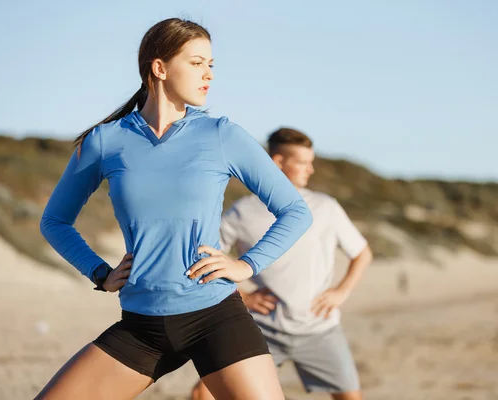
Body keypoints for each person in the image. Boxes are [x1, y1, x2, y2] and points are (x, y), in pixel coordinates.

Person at [36, 18, 312, 400]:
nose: (209, 75)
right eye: (197, 63)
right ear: (160, 67)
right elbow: (55, 221)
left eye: (211, 65)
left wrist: (245, 265)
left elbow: (295, 211)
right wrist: (99, 272)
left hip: (214, 317)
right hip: (141, 327)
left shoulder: (221, 135)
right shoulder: (106, 141)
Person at [191, 128, 373, 400]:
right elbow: (206, 258)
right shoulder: (243, 211)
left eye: (311, 162)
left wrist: (341, 292)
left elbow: (362, 253)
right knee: (202, 394)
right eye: (302, 162)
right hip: (261, 331)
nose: (310, 170)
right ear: (277, 162)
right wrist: (244, 296)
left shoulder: (326, 206)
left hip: (319, 328)